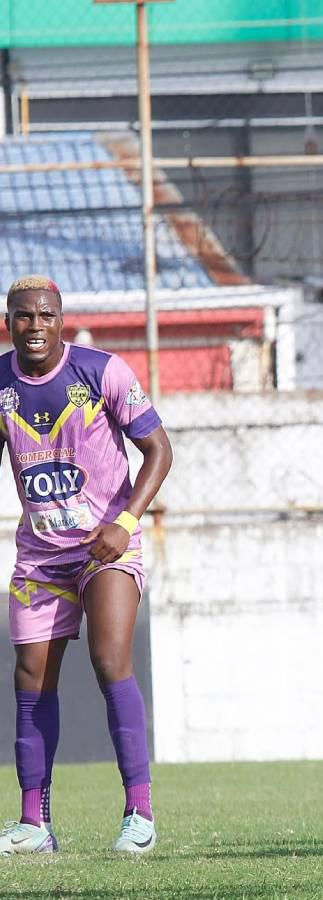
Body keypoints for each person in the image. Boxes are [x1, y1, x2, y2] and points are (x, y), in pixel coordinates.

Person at [0, 276, 172, 856]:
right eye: (23, 317)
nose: (35, 326)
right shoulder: (0, 383)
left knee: (108, 659)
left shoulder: (103, 372)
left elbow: (159, 450)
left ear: (61, 318)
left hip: (107, 547)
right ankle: (34, 824)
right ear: (9, 322)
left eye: (45, 315)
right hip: (40, 555)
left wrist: (123, 523)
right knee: (30, 678)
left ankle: (139, 814)